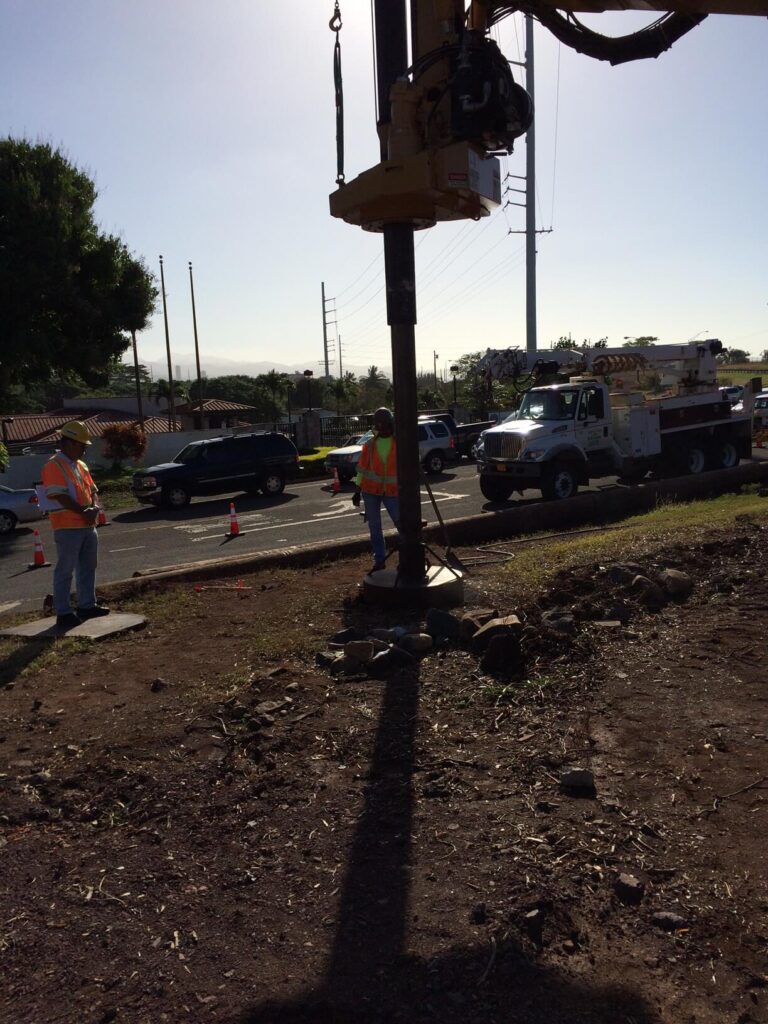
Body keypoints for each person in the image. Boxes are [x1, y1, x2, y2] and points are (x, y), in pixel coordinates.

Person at [41, 421, 110, 629]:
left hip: (88, 525)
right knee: (66, 569)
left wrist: (95, 508)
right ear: (69, 443)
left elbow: (92, 489)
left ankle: (87, 605)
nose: (85, 449)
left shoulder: (81, 465)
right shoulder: (54, 465)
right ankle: (63, 612)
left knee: (88, 566)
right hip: (67, 526)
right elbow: (58, 495)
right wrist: (84, 511)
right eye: (82, 445)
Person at [352, 407, 400, 573]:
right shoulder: (370, 445)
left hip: (392, 492)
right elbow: (363, 470)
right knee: (375, 527)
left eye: (387, 425)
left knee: (401, 525)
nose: (384, 428)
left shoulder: (399, 443)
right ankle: (379, 560)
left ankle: (406, 558)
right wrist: (357, 490)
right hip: (371, 492)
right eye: (381, 425)